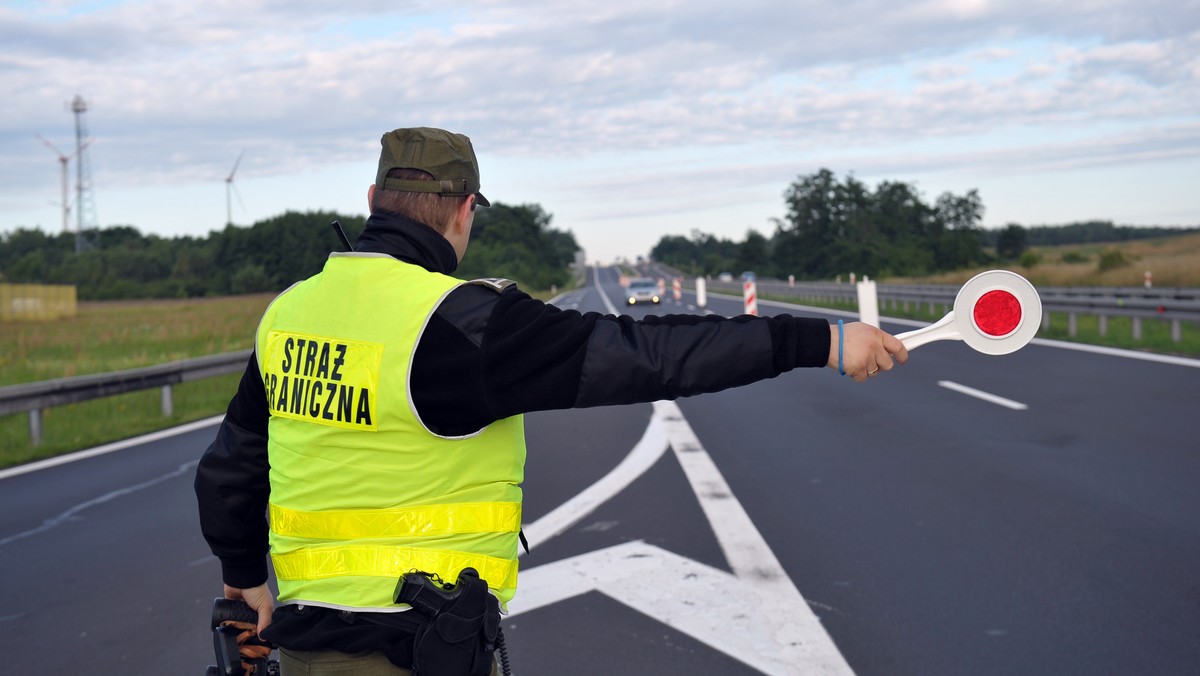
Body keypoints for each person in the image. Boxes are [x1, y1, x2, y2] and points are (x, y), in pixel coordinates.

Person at [194, 127, 907, 676]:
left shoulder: (292, 313)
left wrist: (243, 578)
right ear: (464, 211)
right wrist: (818, 342)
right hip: (417, 649)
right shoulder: (461, 324)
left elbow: (231, 468)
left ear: (373, 202)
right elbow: (646, 356)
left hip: (306, 645)